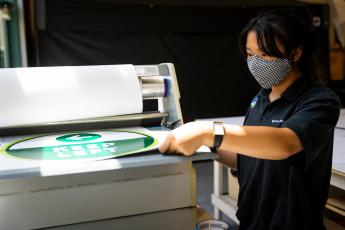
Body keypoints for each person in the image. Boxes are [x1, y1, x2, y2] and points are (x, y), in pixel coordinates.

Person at [159, 8, 341, 230]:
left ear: (295, 53)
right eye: (250, 54)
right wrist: (206, 145)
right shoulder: (260, 99)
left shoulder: (320, 101)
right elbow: (247, 157)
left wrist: (207, 131)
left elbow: (284, 143)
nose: (255, 63)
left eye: (264, 55)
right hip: (251, 222)